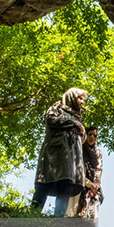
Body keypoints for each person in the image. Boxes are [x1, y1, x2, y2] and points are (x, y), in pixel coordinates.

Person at [32, 88, 88, 216]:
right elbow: (51, 120)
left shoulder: (77, 115)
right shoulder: (56, 108)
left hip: (71, 160)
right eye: (80, 98)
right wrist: (73, 123)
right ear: (71, 97)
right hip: (54, 154)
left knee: (65, 186)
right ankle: (32, 215)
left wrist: (82, 131)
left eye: (83, 99)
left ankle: (58, 219)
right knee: (44, 184)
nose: (82, 102)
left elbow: (82, 138)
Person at [77, 126, 103, 222]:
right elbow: (77, 170)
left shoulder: (97, 152)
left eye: (95, 135)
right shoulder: (79, 149)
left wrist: (95, 185)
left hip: (93, 188)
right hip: (79, 184)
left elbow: (98, 169)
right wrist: (88, 184)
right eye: (90, 134)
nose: (92, 137)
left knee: (92, 213)